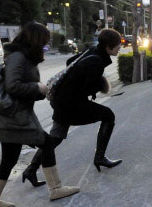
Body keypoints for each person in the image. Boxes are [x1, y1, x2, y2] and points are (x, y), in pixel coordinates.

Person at [0, 21, 79, 207]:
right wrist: (37, 87)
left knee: (9, 159)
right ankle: (56, 188)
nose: (46, 45)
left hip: (14, 117)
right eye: (44, 41)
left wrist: (41, 92)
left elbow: (20, 87)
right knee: (47, 143)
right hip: (15, 118)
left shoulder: (21, 56)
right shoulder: (18, 57)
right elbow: (13, 86)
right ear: (35, 39)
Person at [21, 28, 123, 186]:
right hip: (71, 104)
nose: (120, 48)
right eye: (117, 46)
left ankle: (31, 170)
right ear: (108, 47)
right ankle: (100, 157)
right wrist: (98, 85)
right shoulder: (96, 62)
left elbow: (70, 63)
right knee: (108, 115)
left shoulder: (92, 52)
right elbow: (86, 87)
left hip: (63, 101)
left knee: (56, 138)